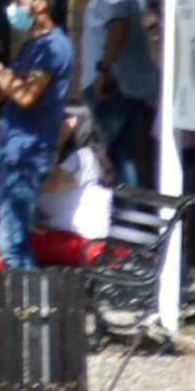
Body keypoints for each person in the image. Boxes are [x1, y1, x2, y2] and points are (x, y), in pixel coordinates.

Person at [0, 0, 73, 272]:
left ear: (40, 4)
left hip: (27, 154)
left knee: (13, 245)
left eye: (18, 1)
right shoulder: (30, 46)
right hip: (9, 152)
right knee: (3, 240)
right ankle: (26, 310)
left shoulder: (55, 47)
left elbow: (26, 96)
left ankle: (35, 311)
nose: (11, 8)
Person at [77, 0, 158, 188]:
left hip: (112, 85)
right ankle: (128, 222)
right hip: (131, 84)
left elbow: (119, 23)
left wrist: (104, 70)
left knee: (96, 155)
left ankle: (107, 220)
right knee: (123, 159)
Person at [29, 99, 117, 267]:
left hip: (82, 243)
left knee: (12, 242)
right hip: (60, 235)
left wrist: (54, 144)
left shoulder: (83, 157)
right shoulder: (73, 157)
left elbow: (48, 185)